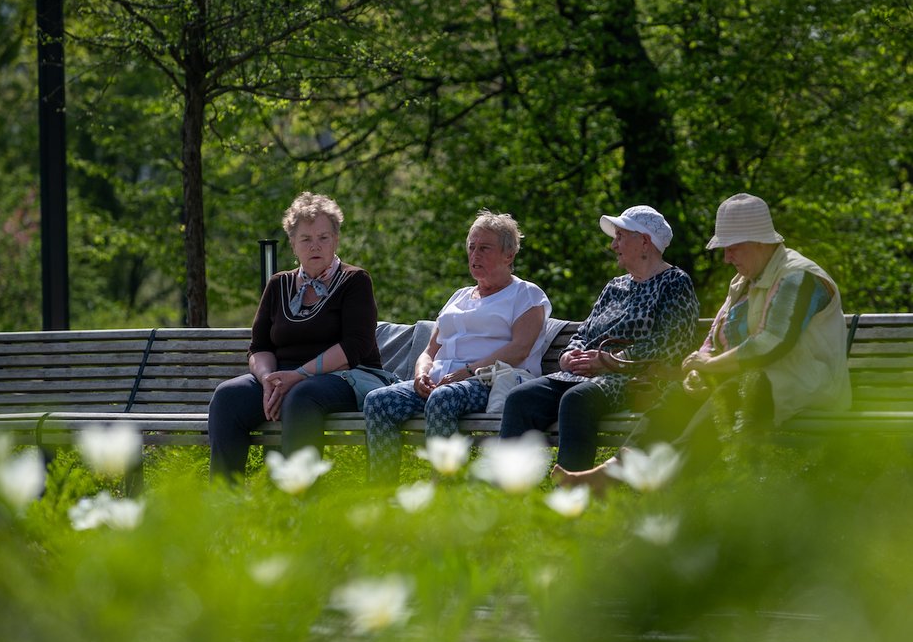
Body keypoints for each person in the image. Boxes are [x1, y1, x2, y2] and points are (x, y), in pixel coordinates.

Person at [556, 193, 852, 490]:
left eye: (732, 248)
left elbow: (772, 343)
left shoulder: (799, 276)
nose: (726, 258)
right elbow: (717, 335)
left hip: (807, 382)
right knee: (678, 395)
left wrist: (708, 365)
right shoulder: (744, 281)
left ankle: (665, 482)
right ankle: (617, 469)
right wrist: (699, 367)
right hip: (754, 380)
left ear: (759, 242)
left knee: (729, 392)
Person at [499, 205, 700, 472]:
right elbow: (584, 333)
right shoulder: (614, 287)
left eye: (620, 236)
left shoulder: (675, 283)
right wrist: (569, 355)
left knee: (576, 400)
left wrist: (611, 360)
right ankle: (508, 488)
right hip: (580, 374)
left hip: (631, 378)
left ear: (644, 241)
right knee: (520, 399)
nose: (613, 245)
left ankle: (573, 488)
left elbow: (672, 343)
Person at [363, 210, 552, 483]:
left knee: (444, 399)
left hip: (489, 380)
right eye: (471, 247)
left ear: (508, 255)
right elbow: (430, 351)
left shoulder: (526, 295)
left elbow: (519, 349)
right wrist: (420, 374)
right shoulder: (459, 296)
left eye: (484, 248)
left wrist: (466, 372)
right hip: (441, 381)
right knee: (378, 401)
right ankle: (380, 491)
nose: (475, 255)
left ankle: (444, 493)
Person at [209, 192, 383, 479]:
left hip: (345, 376)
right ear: (292, 243)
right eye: (306, 239)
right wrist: (267, 380)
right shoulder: (278, 284)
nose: (315, 246)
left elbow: (355, 347)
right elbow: (260, 346)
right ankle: (224, 504)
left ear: (336, 239)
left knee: (301, 396)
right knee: (228, 396)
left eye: (323, 238)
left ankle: (297, 503)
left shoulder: (355, 281)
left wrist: (299, 375)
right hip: (283, 377)